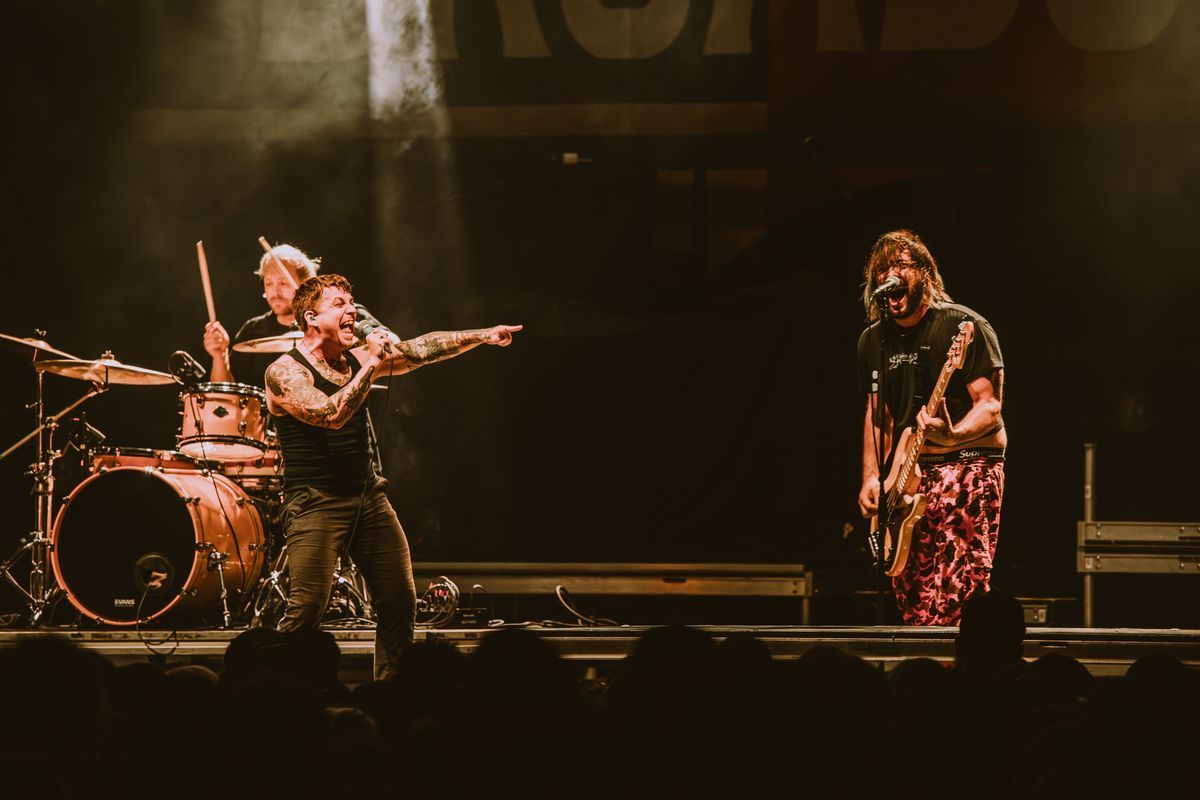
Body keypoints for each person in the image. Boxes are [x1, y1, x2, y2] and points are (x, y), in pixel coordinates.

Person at [263, 273, 521, 678]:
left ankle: (390, 694)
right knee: (307, 607)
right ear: (312, 318)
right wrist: (371, 363)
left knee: (400, 600)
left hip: (369, 497)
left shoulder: (352, 360)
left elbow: (422, 348)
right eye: (339, 304)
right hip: (315, 501)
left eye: (352, 302)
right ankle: (265, 685)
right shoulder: (284, 371)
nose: (352, 310)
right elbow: (330, 415)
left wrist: (483, 334)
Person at [855, 230, 1006, 626]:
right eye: (882, 269)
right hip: (907, 479)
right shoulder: (873, 340)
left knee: (959, 590)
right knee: (914, 597)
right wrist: (872, 479)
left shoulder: (962, 325)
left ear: (924, 273)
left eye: (901, 265)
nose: (890, 274)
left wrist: (953, 435)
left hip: (966, 464)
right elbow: (878, 417)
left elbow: (989, 407)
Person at [202, 244, 388, 388]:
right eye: (269, 283)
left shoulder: (342, 315)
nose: (275, 292)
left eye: (282, 283)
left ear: (305, 285)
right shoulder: (254, 330)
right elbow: (227, 398)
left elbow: (390, 345)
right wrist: (219, 355)